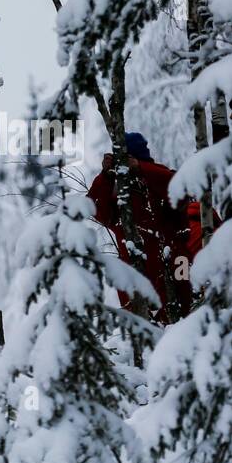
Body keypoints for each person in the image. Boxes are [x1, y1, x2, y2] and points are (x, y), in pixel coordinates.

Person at [86, 132, 198, 322]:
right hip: (134, 275)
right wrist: (104, 176)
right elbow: (95, 210)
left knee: (184, 320)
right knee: (143, 332)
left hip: (176, 264)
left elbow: (180, 191)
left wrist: (141, 169)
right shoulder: (115, 189)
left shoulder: (157, 175)